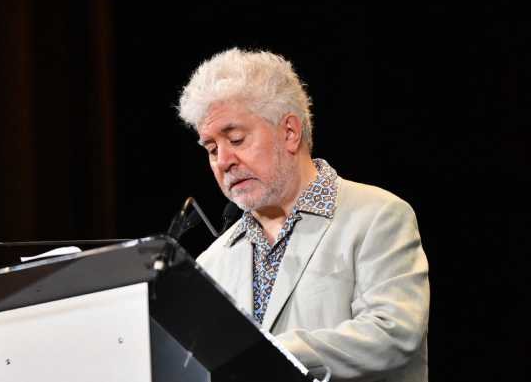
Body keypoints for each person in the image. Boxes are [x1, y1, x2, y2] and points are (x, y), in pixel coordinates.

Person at [177, 48, 429, 381]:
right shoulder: (212, 263)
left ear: (290, 132)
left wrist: (269, 354)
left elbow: (392, 335)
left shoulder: (377, 216)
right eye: (211, 149)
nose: (224, 160)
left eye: (236, 138)